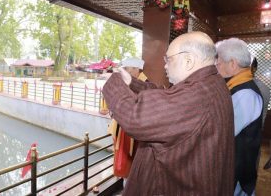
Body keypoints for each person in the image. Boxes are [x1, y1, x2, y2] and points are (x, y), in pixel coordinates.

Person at [102, 31, 234, 195]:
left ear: (188, 61)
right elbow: (166, 96)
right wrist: (130, 82)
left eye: (168, 59)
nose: (165, 65)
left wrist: (113, 82)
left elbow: (135, 118)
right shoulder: (210, 82)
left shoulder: (198, 95)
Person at [215, 38, 263, 196]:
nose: (217, 66)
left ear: (233, 64)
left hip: (238, 168)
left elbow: (222, 132)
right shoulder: (237, 86)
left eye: (219, 62)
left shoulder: (245, 94)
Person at [108, 58, 147, 179]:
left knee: (131, 162)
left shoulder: (144, 84)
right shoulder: (130, 81)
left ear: (136, 69)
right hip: (122, 127)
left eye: (127, 70)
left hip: (133, 131)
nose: (125, 73)